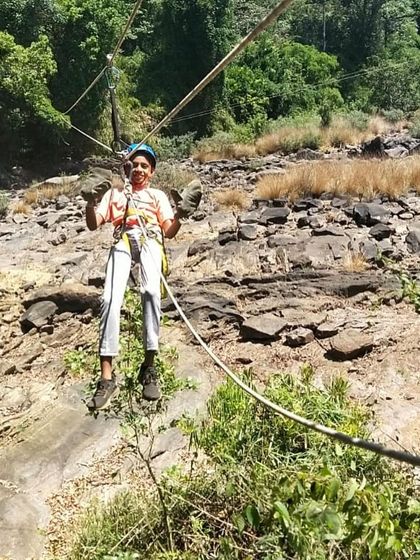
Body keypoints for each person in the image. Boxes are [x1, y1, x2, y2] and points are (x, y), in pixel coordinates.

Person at [80, 143, 201, 410]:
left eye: (144, 166)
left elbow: (168, 231)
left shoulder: (157, 196)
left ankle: (148, 366)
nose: (138, 169)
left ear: (152, 172)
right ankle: (106, 377)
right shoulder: (115, 194)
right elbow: (92, 223)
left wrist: (180, 214)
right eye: (135, 165)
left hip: (151, 239)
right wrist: (91, 201)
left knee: (150, 291)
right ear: (127, 168)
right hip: (123, 238)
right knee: (110, 299)